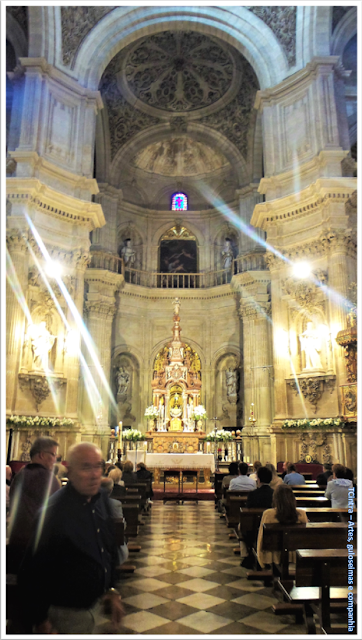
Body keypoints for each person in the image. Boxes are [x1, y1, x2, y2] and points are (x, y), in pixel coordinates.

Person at [17, 442, 124, 634]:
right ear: (71, 471)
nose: (94, 474)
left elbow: (108, 547)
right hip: (65, 613)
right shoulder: (53, 512)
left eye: (98, 466)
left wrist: (112, 590)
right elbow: (32, 571)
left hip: (96, 606)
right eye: (85, 467)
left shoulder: (101, 499)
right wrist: (41, 620)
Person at [8, 437, 60, 570]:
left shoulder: (20, 474)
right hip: (37, 549)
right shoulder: (48, 479)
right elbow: (57, 514)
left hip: (14, 544)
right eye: (53, 455)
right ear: (42, 455)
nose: (55, 460)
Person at [257, 484, 308, 568]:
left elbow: (261, 537)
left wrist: (260, 559)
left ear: (275, 499)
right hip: (295, 553)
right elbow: (305, 537)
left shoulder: (268, 514)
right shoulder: (301, 514)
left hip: (273, 554)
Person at [100, 477, 129, 566]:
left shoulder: (90, 502)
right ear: (111, 489)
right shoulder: (115, 504)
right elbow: (121, 526)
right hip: (113, 546)